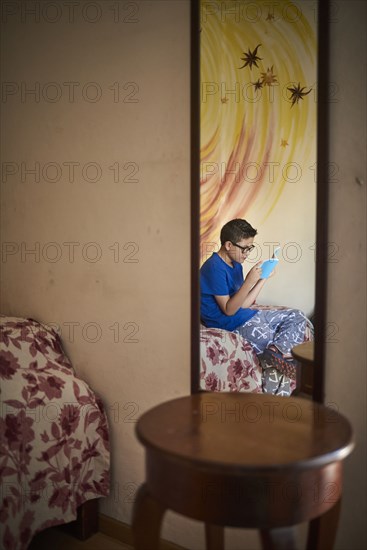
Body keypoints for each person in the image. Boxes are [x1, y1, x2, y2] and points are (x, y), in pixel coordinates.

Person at [200, 219, 312, 384]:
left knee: (297, 316)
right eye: (244, 248)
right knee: (276, 351)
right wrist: (249, 281)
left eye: (250, 248)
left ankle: (276, 353)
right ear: (228, 245)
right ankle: (274, 389)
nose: (247, 253)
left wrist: (262, 278)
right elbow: (229, 310)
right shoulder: (213, 267)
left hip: (242, 314)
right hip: (228, 323)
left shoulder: (236, 264)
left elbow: (244, 303)